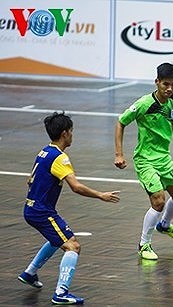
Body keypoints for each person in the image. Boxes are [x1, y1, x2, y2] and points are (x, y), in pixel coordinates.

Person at [18, 112, 120, 305]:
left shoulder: (44, 152)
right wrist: (101, 195)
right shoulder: (60, 158)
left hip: (31, 208)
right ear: (65, 133)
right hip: (42, 212)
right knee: (73, 246)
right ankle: (61, 293)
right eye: (71, 131)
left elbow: (29, 180)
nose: (73, 135)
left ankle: (30, 273)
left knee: (58, 239)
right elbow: (76, 187)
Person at [114, 62, 173, 261]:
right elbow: (121, 122)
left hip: (164, 158)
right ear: (157, 82)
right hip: (145, 159)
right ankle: (143, 244)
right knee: (158, 201)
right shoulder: (144, 104)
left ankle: (164, 225)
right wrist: (119, 154)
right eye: (165, 84)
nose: (170, 89)